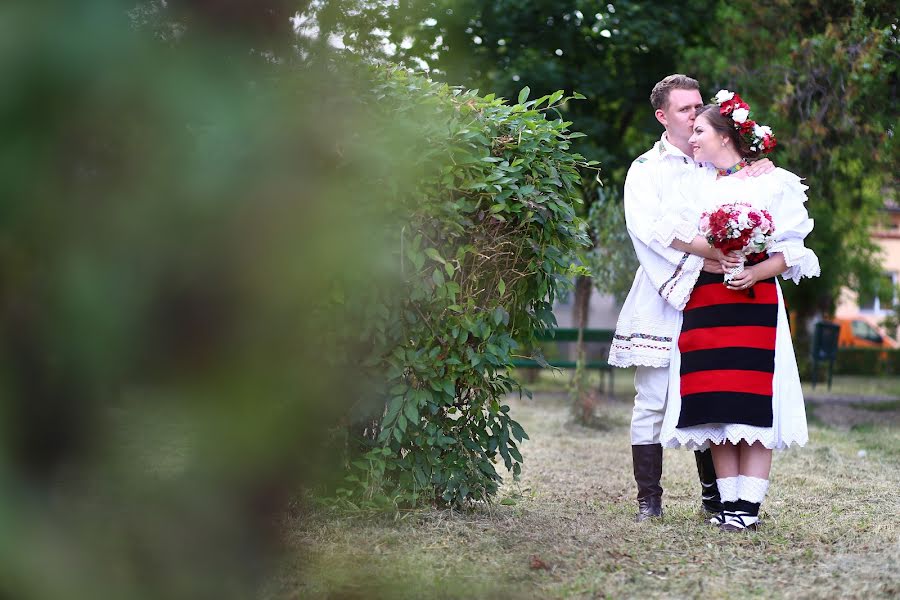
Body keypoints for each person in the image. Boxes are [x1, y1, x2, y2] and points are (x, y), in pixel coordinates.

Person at [609, 75, 771, 522]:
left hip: (717, 299)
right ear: (662, 116)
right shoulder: (646, 169)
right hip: (666, 292)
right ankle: (649, 500)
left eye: (699, 106)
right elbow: (649, 231)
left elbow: (752, 208)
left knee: (710, 394)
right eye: (685, 109)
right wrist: (708, 257)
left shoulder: (716, 162)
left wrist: (759, 167)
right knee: (654, 399)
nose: (695, 115)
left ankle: (713, 497)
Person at [657, 91, 820, 531]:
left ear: (725, 136)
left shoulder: (773, 182)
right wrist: (715, 250)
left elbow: (792, 250)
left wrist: (753, 271)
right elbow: (669, 231)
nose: (692, 140)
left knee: (752, 403)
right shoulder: (695, 183)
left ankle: (748, 508)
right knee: (716, 405)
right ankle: (728, 507)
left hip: (755, 301)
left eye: (700, 131)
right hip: (706, 301)